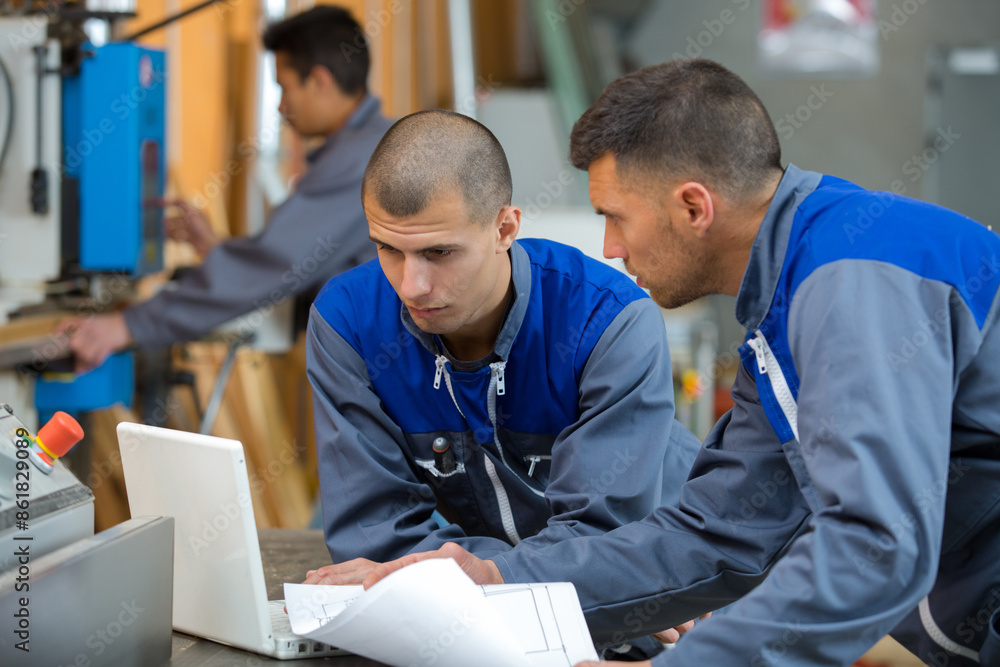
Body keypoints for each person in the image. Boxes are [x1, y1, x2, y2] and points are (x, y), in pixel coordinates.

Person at [363, 60, 1000, 667]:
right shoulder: (787, 310)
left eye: (615, 218)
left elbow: (875, 547)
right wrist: (498, 578)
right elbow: (719, 532)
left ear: (694, 207)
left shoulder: (849, 282)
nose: (609, 249)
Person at [302, 109, 702, 656]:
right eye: (388, 249)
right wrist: (514, 584)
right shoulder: (348, 323)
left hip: (668, 609)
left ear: (504, 229)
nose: (411, 285)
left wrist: (483, 578)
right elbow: (378, 537)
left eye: (439, 252)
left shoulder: (608, 324)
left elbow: (606, 542)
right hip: (504, 622)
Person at [57, 6, 392, 371]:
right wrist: (214, 248)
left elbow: (275, 266)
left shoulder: (360, 163)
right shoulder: (368, 148)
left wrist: (126, 325)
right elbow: (292, 257)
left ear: (320, 81)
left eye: (284, 86)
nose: (281, 106)